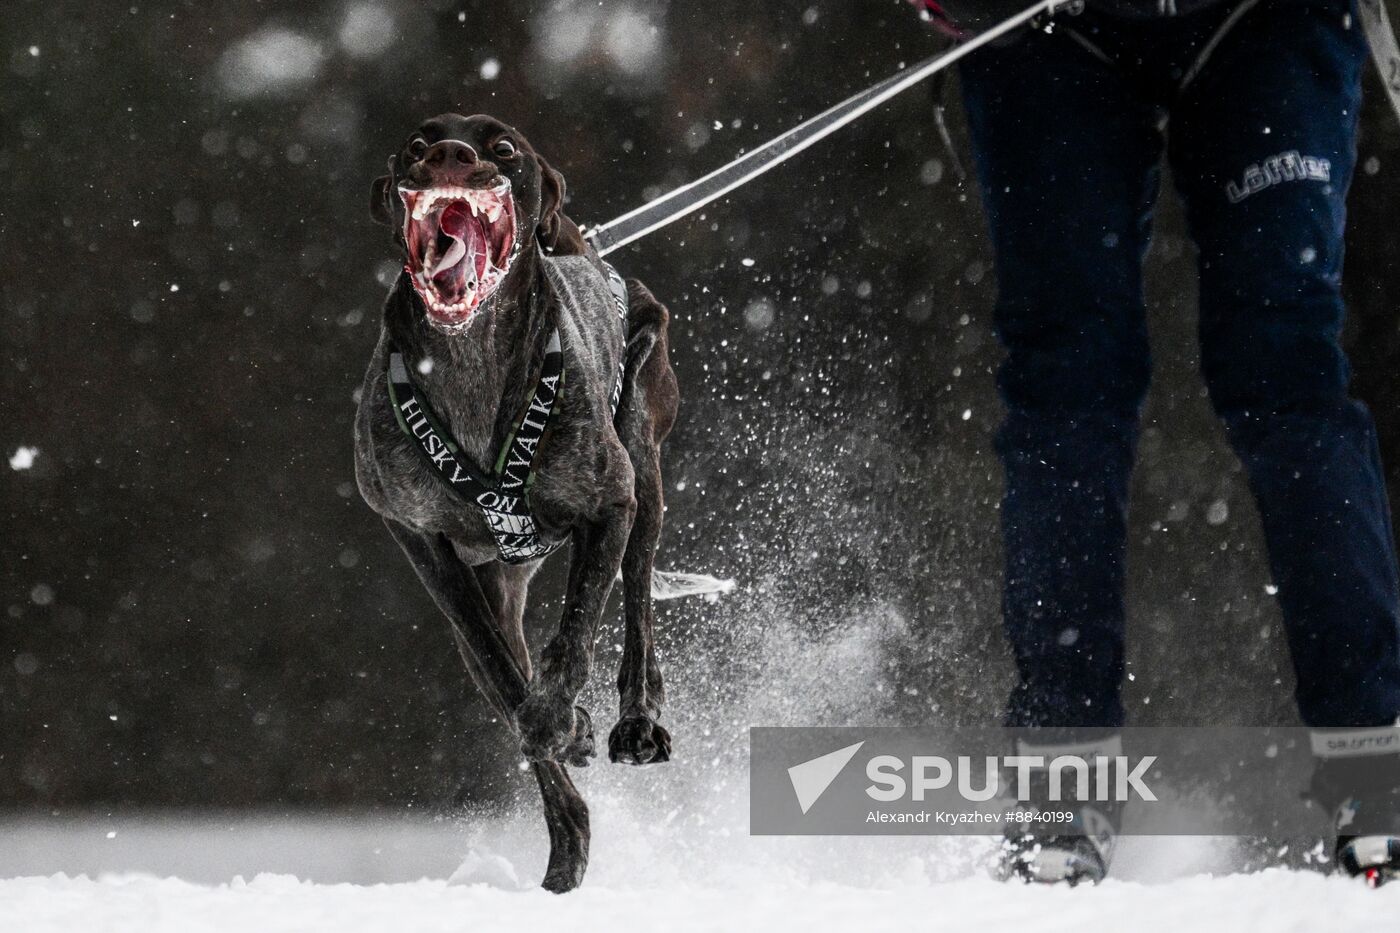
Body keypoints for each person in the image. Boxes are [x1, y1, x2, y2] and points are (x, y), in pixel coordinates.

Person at [910, 0, 1400, 883]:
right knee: (1067, 385)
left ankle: (1376, 780)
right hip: (1046, 31)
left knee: (1286, 368)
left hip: (1262, 24)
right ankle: (1063, 789)